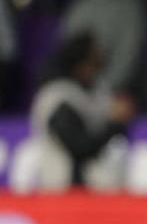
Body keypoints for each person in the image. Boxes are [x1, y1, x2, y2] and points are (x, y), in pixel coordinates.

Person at [18, 33, 132, 193]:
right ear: (81, 62)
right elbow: (79, 146)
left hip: (93, 191)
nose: (100, 62)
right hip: (60, 189)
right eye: (94, 58)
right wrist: (115, 124)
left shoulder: (97, 90)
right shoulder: (58, 96)